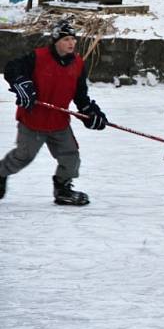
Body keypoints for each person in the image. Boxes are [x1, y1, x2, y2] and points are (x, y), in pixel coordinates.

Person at [0, 20, 107, 205]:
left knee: (71, 157)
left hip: (59, 122)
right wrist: (22, 84)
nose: (71, 43)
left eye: (73, 39)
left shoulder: (78, 64)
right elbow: (12, 68)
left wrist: (91, 113)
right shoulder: (38, 57)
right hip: (33, 120)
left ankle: (63, 189)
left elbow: (81, 97)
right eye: (66, 39)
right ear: (56, 41)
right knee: (23, 156)